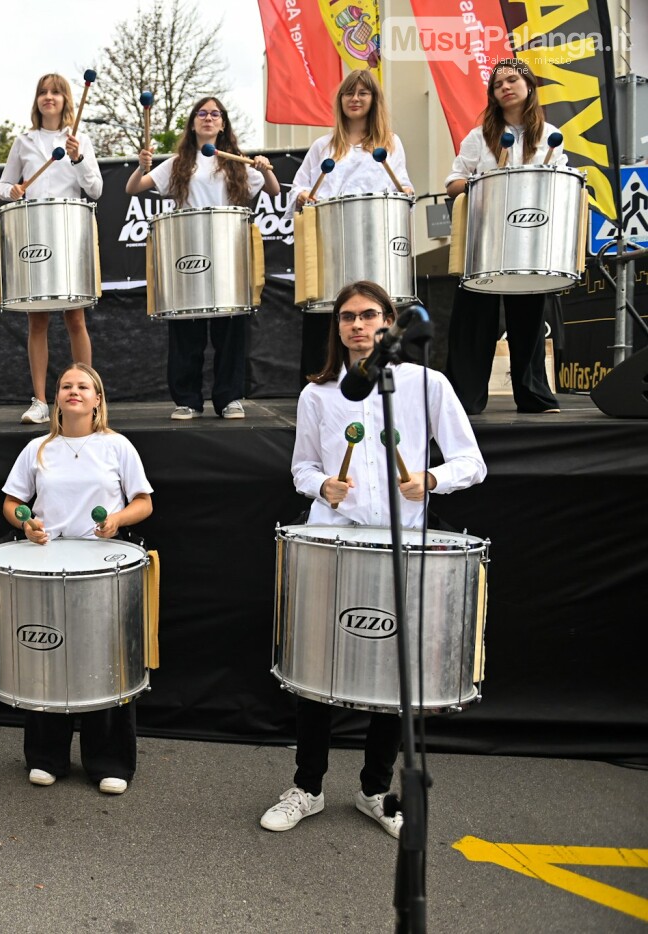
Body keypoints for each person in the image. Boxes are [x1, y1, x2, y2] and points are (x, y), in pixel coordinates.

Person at [261, 280, 487, 838]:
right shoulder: (318, 394)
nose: (357, 326)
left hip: (399, 540)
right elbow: (302, 470)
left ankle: (373, 790)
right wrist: (322, 490)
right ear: (336, 327)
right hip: (332, 537)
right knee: (317, 663)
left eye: (368, 316)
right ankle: (307, 787)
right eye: (346, 317)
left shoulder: (426, 384)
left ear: (389, 322)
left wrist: (432, 478)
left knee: (389, 671)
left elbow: (471, 461)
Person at [0, 363, 153, 794]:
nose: (74, 391)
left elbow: (144, 502)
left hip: (103, 562)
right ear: (57, 398)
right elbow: (12, 503)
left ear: (97, 399)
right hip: (47, 563)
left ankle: (110, 762)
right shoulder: (38, 448)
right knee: (48, 655)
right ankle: (46, 757)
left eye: (83, 386)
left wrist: (118, 519)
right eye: (66, 385)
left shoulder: (117, 446)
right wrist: (26, 524)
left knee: (106, 662)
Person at [126, 96, 280, 420]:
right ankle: (188, 400)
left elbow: (275, 190)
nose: (208, 118)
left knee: (231, 327)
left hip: (229, 248)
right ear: (193, 122)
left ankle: (229, 398)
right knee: (187, 330)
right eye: (201, 113)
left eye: (214, 114)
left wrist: (265, 169)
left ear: (222, 122)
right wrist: (142, 165)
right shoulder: (179, 163)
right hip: (190, 249)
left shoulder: (236, 162)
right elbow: (134, 188)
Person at [444, 58, 563, 416]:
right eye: (498, 84)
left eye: (512, 80)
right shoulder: (478, 137)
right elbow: (452, 184)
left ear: (528, 86)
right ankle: (464, 399)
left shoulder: (549, 135)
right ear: (493, 96)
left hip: (528, 239)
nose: (505, 87)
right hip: (485, 238)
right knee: (473, 320)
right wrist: (483, 180)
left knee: (528, 322)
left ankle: (535, 397)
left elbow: (557, 184)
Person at [289, 70, 415, 378]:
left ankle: (382, 384)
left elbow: (403, 187)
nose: (355, 99)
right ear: (340, 101)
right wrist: (304, 194)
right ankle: (324, 384)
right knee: (328, 312)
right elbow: (298, 188)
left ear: (374, 100)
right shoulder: (323, 146)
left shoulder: (390, 143)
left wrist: (408, 192)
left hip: (375, 244)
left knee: (373, 313)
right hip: (331, 242)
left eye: (362, 93)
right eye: (349, 93)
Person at [0, 74, 104, 425]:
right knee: (37, 318)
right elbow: (3, 185)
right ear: (37, 100)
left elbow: (96, 189)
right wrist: (12, 191)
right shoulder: (23, 141)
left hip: (69, 231)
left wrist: (78, 159)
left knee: (76, 317)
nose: (49, 97)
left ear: (66, 100)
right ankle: (40, 401)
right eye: (43, 91)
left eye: (56, 92)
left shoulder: (80, 140)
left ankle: (88, 396)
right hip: (35, 233)